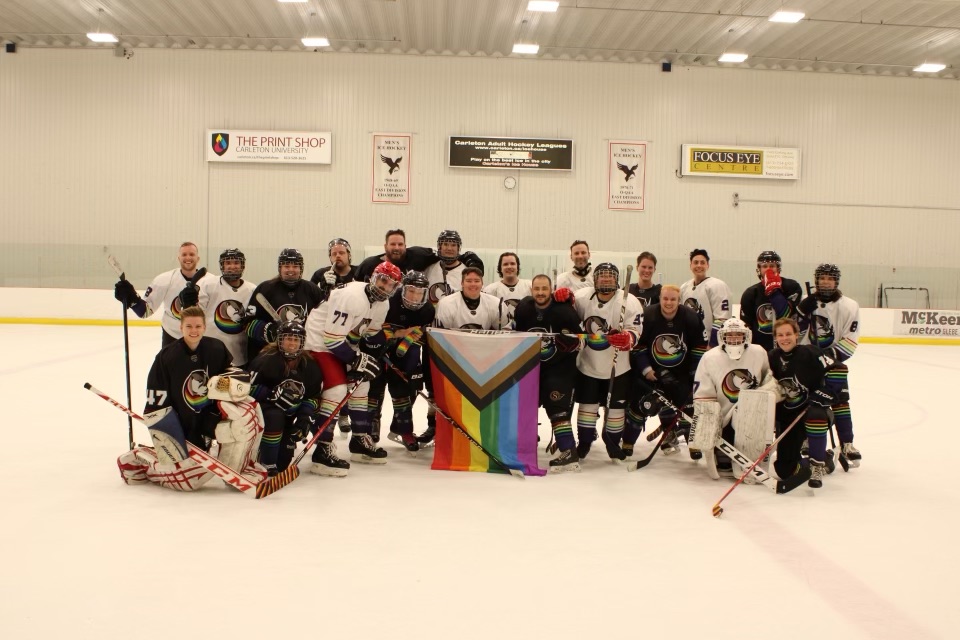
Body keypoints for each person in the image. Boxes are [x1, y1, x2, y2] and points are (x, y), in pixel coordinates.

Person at [116, 306, 267, 490]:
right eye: (189, 326)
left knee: (244, 418)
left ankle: (239, 470)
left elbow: (228, 374)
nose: (193, 331)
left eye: (197, 326)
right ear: (181, 328)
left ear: (204, 327)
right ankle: (139, 461)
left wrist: (233, 383)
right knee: (190, 481)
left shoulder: (216, 347)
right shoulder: (167, 356)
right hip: (181, 422)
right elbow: (155, 400)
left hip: (207, 417)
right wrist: (166, 432)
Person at [303, 262, 402, 475]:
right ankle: (322, 449)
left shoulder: (382, 305)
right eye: (382, 280)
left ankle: (359, 440)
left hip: (344, 344)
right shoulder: (351, 296)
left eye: (391, 284)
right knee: (337, 391)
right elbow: (331, 339)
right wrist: (357, 360)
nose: (385, 287)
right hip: (319, 342)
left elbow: (370, 334)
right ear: (373, 277)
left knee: (361, 386)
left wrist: (379, 348)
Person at [558, 262, 643, 462]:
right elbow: (568, 314)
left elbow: (636, 329)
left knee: (616, 410)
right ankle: (585, 443)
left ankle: (612, 443)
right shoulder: (582, 297)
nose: (606, 279)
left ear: (617, 280)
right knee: (587, 407)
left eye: (610, 276)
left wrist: (628, 338)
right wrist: (562, 299)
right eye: (602, 276)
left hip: (618, 367)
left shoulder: (629, 301)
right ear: (595, 279)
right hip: (588, 364)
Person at [514, 274, 584, 471]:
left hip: (560, 368)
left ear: (551, 289)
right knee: (524, 407)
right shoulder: (523, 308)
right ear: (531, 290)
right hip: (532, 367)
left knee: (556, 407)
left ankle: (569, 452)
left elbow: (582, 338)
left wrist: (572, 343)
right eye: (537, 289)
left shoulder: (565, 311)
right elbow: (515, 333)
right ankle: (524, 446)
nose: (540, 293)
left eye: (544, 289)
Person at [769, 318, 848, 488]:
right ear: (775, 338)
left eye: (789, 334)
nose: (785, 338)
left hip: (813, 411)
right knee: (784, 470)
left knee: (815, 416)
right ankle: (825, 460)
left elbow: (839, 368)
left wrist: (827, 393)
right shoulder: (772, 357)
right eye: (780, 335)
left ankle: (817, 464)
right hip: (789, 418)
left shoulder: (809, 352)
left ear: (797, 335)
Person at [628, 285, 707, 456]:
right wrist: (647, 370)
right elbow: (638, 346)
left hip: (682, 372)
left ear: (679, 300)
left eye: (673, 299)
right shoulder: (648, 315)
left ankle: (693, 444)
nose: (669, 302)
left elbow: (700, 347)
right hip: (653, 371)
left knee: (687, 407)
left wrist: (694, 373)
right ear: (660, 299)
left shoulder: (691, 317)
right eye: (665, 299)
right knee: (642, 404)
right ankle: (628, 443)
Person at [692, 317, 777, 475]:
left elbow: (768, 379)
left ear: (747, 336)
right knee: (724, 461)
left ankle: (753, 452)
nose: (734, 339)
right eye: (729, 335)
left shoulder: (758, 352)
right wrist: (710, 421)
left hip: (752, 413)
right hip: (722, 416)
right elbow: (703, 393)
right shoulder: (710, 357)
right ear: (721, 337)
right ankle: (723, 448)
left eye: (738, 334)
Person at [798, 263, 862, 467]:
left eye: (830, 278)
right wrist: (800, 314)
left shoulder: (850, 306)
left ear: (836, 281)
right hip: (808, 362)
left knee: (840, 400)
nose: (825, 282)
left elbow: (850, 340)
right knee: (808, 402)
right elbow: (793, 333)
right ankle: (808, 439)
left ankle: (847, 443)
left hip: (834, 363)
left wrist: (825, 357)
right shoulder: (806, 303)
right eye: (822, 278)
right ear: (816, 280)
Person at [368, 270, 435, 453]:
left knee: (406, 387)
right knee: (375, 384)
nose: (415, 297)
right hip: (378, 347)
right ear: (403, 289)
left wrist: (403, 344)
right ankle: (372, 421)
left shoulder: (428, 309)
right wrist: (398, 334)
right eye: (411, 291)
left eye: (419, 293)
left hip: (405, 350)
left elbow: (420, 334)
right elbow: (376, 328)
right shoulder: (388, 300)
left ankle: (403, 429)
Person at [248, 321, 323, 477]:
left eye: (296, 340)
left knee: (282, 464)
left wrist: (304, 419)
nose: (292, 343)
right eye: (288, 338)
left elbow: (313, 397)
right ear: (280, 340)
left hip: (289, 418)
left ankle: (270, 456)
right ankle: (266, 462)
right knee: (275, 415)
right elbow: (246, 389)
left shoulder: (310, 365)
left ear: (302, 342)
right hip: (263, 416)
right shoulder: (266, 359)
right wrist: (270, 394)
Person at [113, 241, 211, 346]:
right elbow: (145, 312)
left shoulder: (210, 281)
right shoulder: (164, 280)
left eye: (191, 254)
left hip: (202, 337)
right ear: (179, 258)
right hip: (172, 337)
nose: (188, 258)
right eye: (184, 254)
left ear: (198, 258)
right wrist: (132, 299)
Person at [310, 238, 360, 437]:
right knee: (332, 381)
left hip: (352, 334)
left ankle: (345, 414)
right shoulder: (320, 274)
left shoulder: (358, 273)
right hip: (327, 336)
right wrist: (323, 287)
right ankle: (328, 417)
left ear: (349, 254)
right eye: (334, 253)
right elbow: (315, 304)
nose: (338, 256)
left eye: (342, 252)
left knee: (350, 378)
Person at [245, 248, 324, 363]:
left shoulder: (312, 290)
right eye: (286, 266)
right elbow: (248, 324)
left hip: (302, 354)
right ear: (280, 268)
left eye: (295, 266)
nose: (291, 270)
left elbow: (322, 321)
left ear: (301, 268)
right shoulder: (265, 289)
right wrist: (270, 331)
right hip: (270, 355)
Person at [198, 248, 256, 367]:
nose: (232, 266)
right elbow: (195, 312)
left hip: (240, 356)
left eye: (236, 263)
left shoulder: (252, 290)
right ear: (222, 266)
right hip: (210, 354)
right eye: (228, 263)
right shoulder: (208, 285)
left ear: (242, 265)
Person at [356, 228, 483, 281]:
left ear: (405, 246)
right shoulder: (369, 264)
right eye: (393, 244)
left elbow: (446, 255)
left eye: (400, 245)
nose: (396, 248)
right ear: (385, 246)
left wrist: (469, 259)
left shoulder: (418, 255)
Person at [739, 250, 803, 352]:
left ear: (778, 268)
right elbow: (746, 326)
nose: (768, 269)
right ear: (759, 269)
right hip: (761, 350)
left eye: (772, 266)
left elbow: (785, 315)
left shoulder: (792, 287)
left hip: (788, 347)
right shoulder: (750, 293)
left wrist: (774, 291)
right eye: (765, 266)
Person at [679, 248, 731, 346]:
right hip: (689, 343)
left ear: (707, 265)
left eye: (702, 262)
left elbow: (722, 318)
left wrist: (712, 344)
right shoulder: (684, 287)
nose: (699, 265)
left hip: (709, 343)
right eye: (696, 262)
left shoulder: (717, 286)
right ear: (690, 265)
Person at [434, 267, 506, 330]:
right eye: (468, 281)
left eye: (477, 281)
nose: (473, 284)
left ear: (482, 283)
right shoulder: (446, 304)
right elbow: (440, 336)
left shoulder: (495, 303)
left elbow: (505, 331)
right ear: (462, 283)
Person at [482, 252, 532, 327]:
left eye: (512, 264)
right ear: (500, 268)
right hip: (500, 335)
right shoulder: (490, 289)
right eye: (505, 264)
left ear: (517, 267)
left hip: (524, 333)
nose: (509, 267)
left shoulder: (529, 286)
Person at [424, 229, 470, 305]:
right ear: (439, 247)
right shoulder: (429, 269)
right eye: (445, 244)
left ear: (458, 248)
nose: (449, 248)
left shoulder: (466, 272)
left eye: (453, 245)